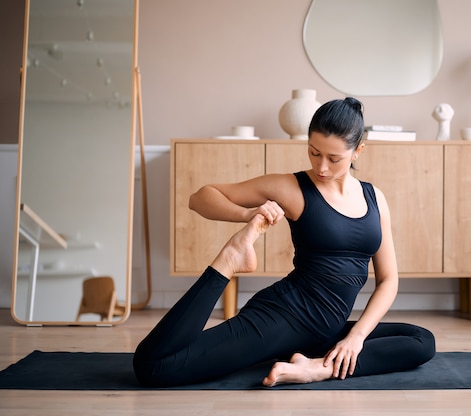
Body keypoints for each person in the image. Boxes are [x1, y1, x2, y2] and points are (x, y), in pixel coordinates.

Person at [133, 97, 436, 388]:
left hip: (325, 332)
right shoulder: (293, 188)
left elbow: (388, 280)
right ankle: (228, 261)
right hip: (282, 317)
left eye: (334, 158)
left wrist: (355, 337)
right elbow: (200, 198)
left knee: (422, 341)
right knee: (155, 367)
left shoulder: (375, 198)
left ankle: (316, 369)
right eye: (314, 152)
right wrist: (247, 213)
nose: (322, 167)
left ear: (358, 151)